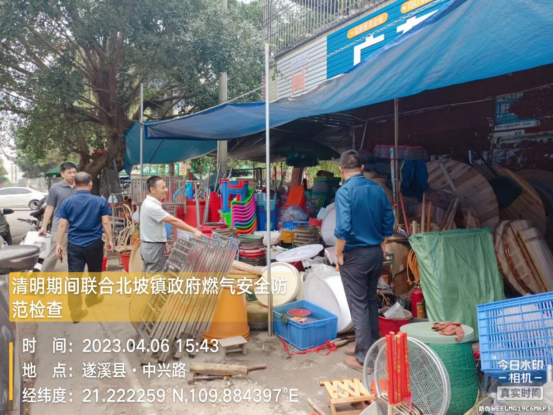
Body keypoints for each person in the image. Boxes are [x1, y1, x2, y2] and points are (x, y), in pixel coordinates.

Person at [334, 150, 394, 372]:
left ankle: (364, 360)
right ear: (361, 168)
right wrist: (383, 243)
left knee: (358, 305)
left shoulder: (344, 192)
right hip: (375, 253)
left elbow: (343, 228)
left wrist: (338, 254)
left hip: (355, 256)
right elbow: (389, 218)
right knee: (369, 301)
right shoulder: (377, 189)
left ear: (341, 170)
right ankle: (370, 348)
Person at [55, 172, 114, 322]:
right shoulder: (100, 201)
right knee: (95, 273)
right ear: (90, 184)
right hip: (94, 244)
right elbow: (106, 222)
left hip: (75, 245)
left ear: (75, 184)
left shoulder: (67, 202)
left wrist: (59, 244)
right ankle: (91, 299)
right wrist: (110, 240)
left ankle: (75, 313)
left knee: (74, 278)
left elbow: (62, 225)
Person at [140, 176, 203, 272]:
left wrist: (163, 241)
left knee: (149, 276)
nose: (166, 190)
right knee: (154, 277)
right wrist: (194, 230)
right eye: (163, 187)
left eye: (166, 187)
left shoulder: (148, 202)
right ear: (152, 189)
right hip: (153, 248)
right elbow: (174, 221)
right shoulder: (151, 206)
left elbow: (153, 227)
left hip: (150, 246)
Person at [39, 162, 77, 272]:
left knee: (75, 256)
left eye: (74, 172)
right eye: (69, 172)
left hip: (77, 227)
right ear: (62, 174)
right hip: (59, 227)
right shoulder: (55, 188)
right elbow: (50, 207)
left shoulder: (81, 186)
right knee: (54, 255)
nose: (72, 175)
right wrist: (44, 226)